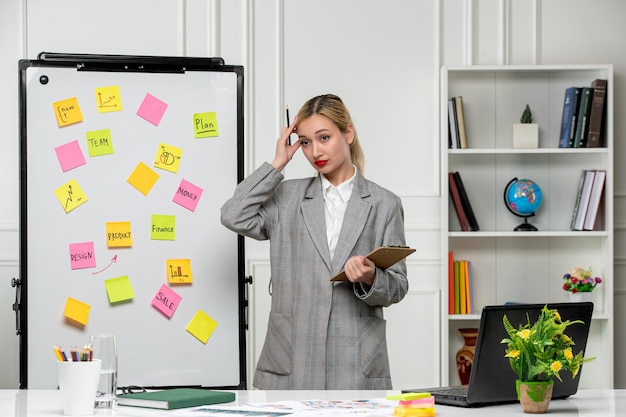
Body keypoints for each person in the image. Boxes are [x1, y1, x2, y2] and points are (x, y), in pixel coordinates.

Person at [220, 94, 408, 390]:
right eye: (305, 142)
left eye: (324, 137)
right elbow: (233, 215)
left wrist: (371, 277)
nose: (315, 151)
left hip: (356, 359)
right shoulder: (285, 197)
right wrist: (277, 163)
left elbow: (398, 286)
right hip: (292, 356)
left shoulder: (385, 203)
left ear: (348, 133)